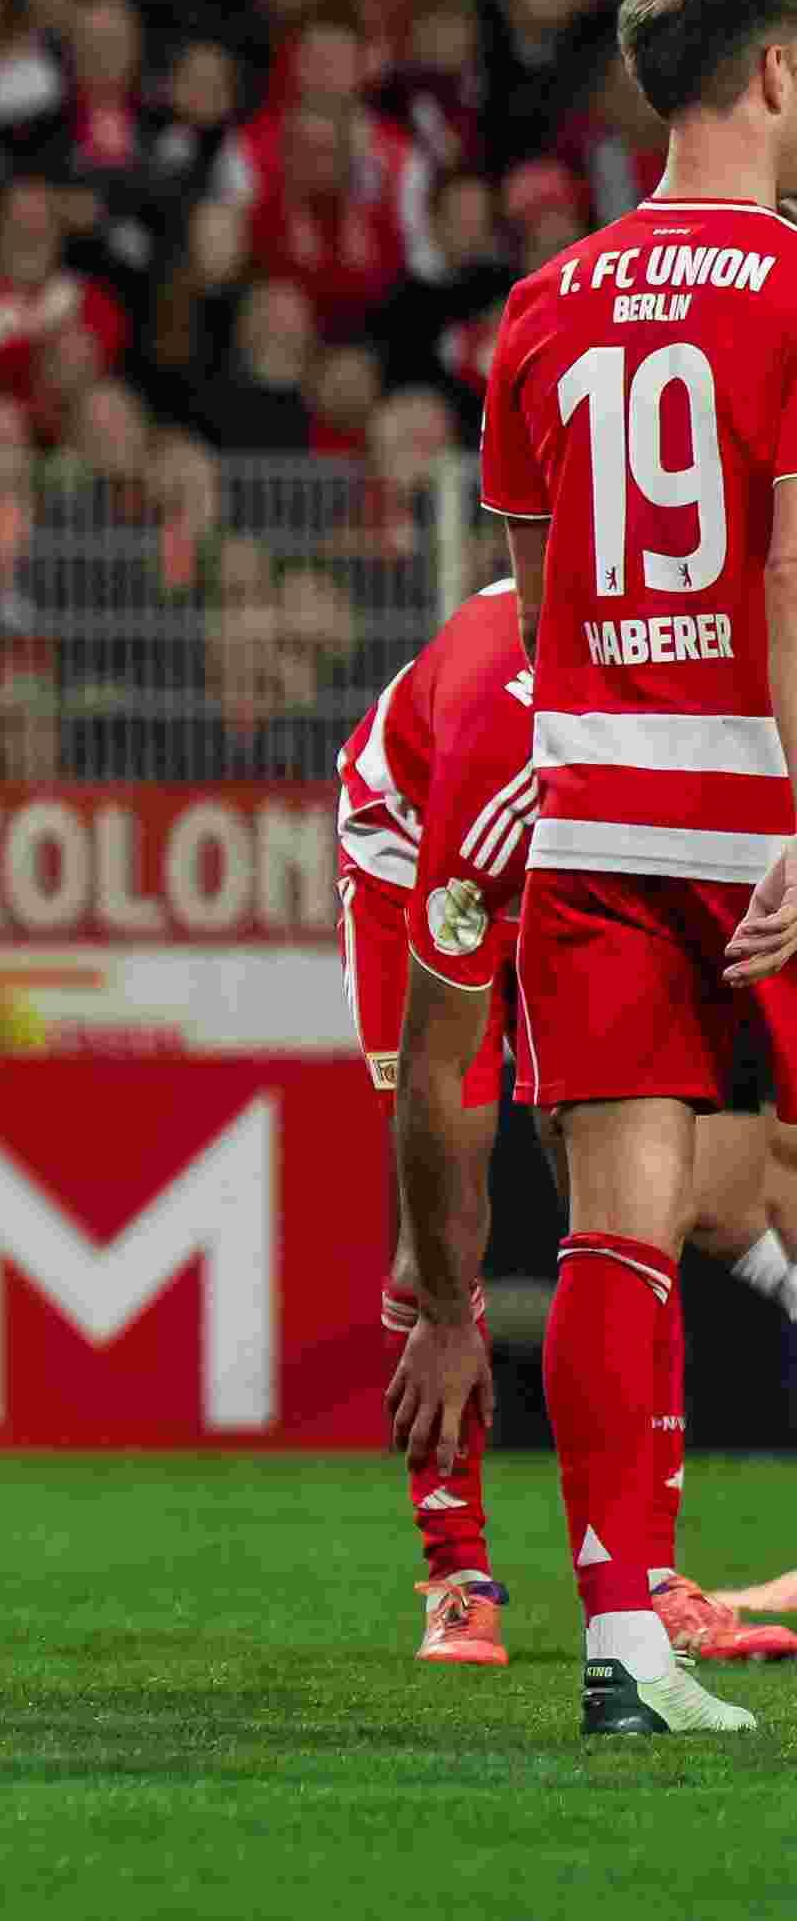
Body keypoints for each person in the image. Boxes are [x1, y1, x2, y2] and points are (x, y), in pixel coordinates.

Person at [476, 0, 797, 1738]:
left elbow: (531, 590)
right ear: (764, 77)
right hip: (760, 810)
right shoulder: (792, 289)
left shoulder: (543, 301)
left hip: (596, 802)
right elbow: (789, 564)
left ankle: (620, 1644)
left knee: (617, 1231)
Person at [342, 580, 797, 1669]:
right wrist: (451, 1308)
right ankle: (454, 1575)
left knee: (631, 1204)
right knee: (431, 1224)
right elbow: (442, 1074)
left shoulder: (731, 708)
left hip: (594, 857)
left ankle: (645, 1575)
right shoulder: (505, 751)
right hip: (412, 853)